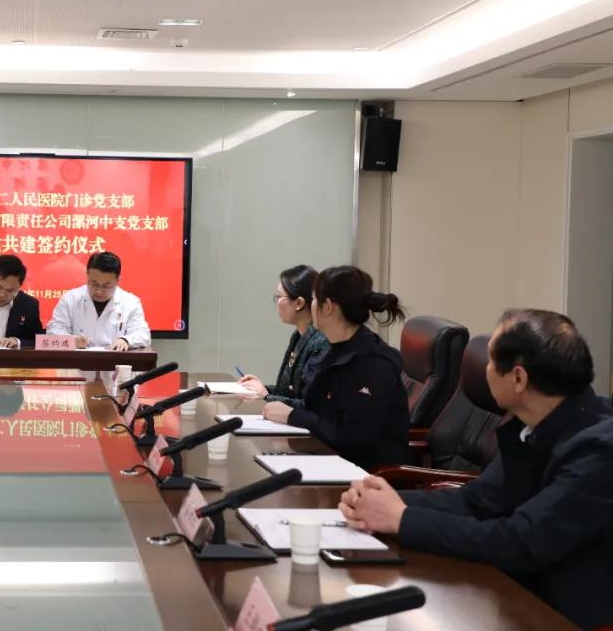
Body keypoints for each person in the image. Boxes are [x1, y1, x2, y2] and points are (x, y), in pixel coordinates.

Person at [338, 310, 613, 630]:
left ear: (519, 379)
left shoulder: (599, 452)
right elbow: (477, 501)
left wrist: (401, 519)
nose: (484, 370)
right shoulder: (531, 425)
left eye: (492, 362)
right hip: (511, 593)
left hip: (563, 615)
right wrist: (382, 502)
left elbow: (521, 541)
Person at [262, 265, 409, 469]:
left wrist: (292, 415)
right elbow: (315, 407)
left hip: (364, 474)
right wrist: (283, 407)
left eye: (314, 299)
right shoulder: (333, 349)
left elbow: (353, 438)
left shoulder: (373, 363)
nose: (311, 305)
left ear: (328, 307)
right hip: (324, 457)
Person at [239, 265, 329, 406]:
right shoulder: (298, 336)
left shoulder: (321, 342)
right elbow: (288, 392)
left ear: (299, 303)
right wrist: (261, 388)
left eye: (279, 296)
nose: (277, 303)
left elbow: (310, 404)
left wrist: (266, 396)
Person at [47, 251, 150, 351]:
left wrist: (126, 340)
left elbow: (143, 334)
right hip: (78, 361)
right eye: (94, 284)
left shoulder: (131, 303)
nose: (99, 291)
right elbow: (53, 331)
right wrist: (72, 341)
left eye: (106, 286)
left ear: (118, 280)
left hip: (115, 361)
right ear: (87, 275)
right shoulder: (70, 299)